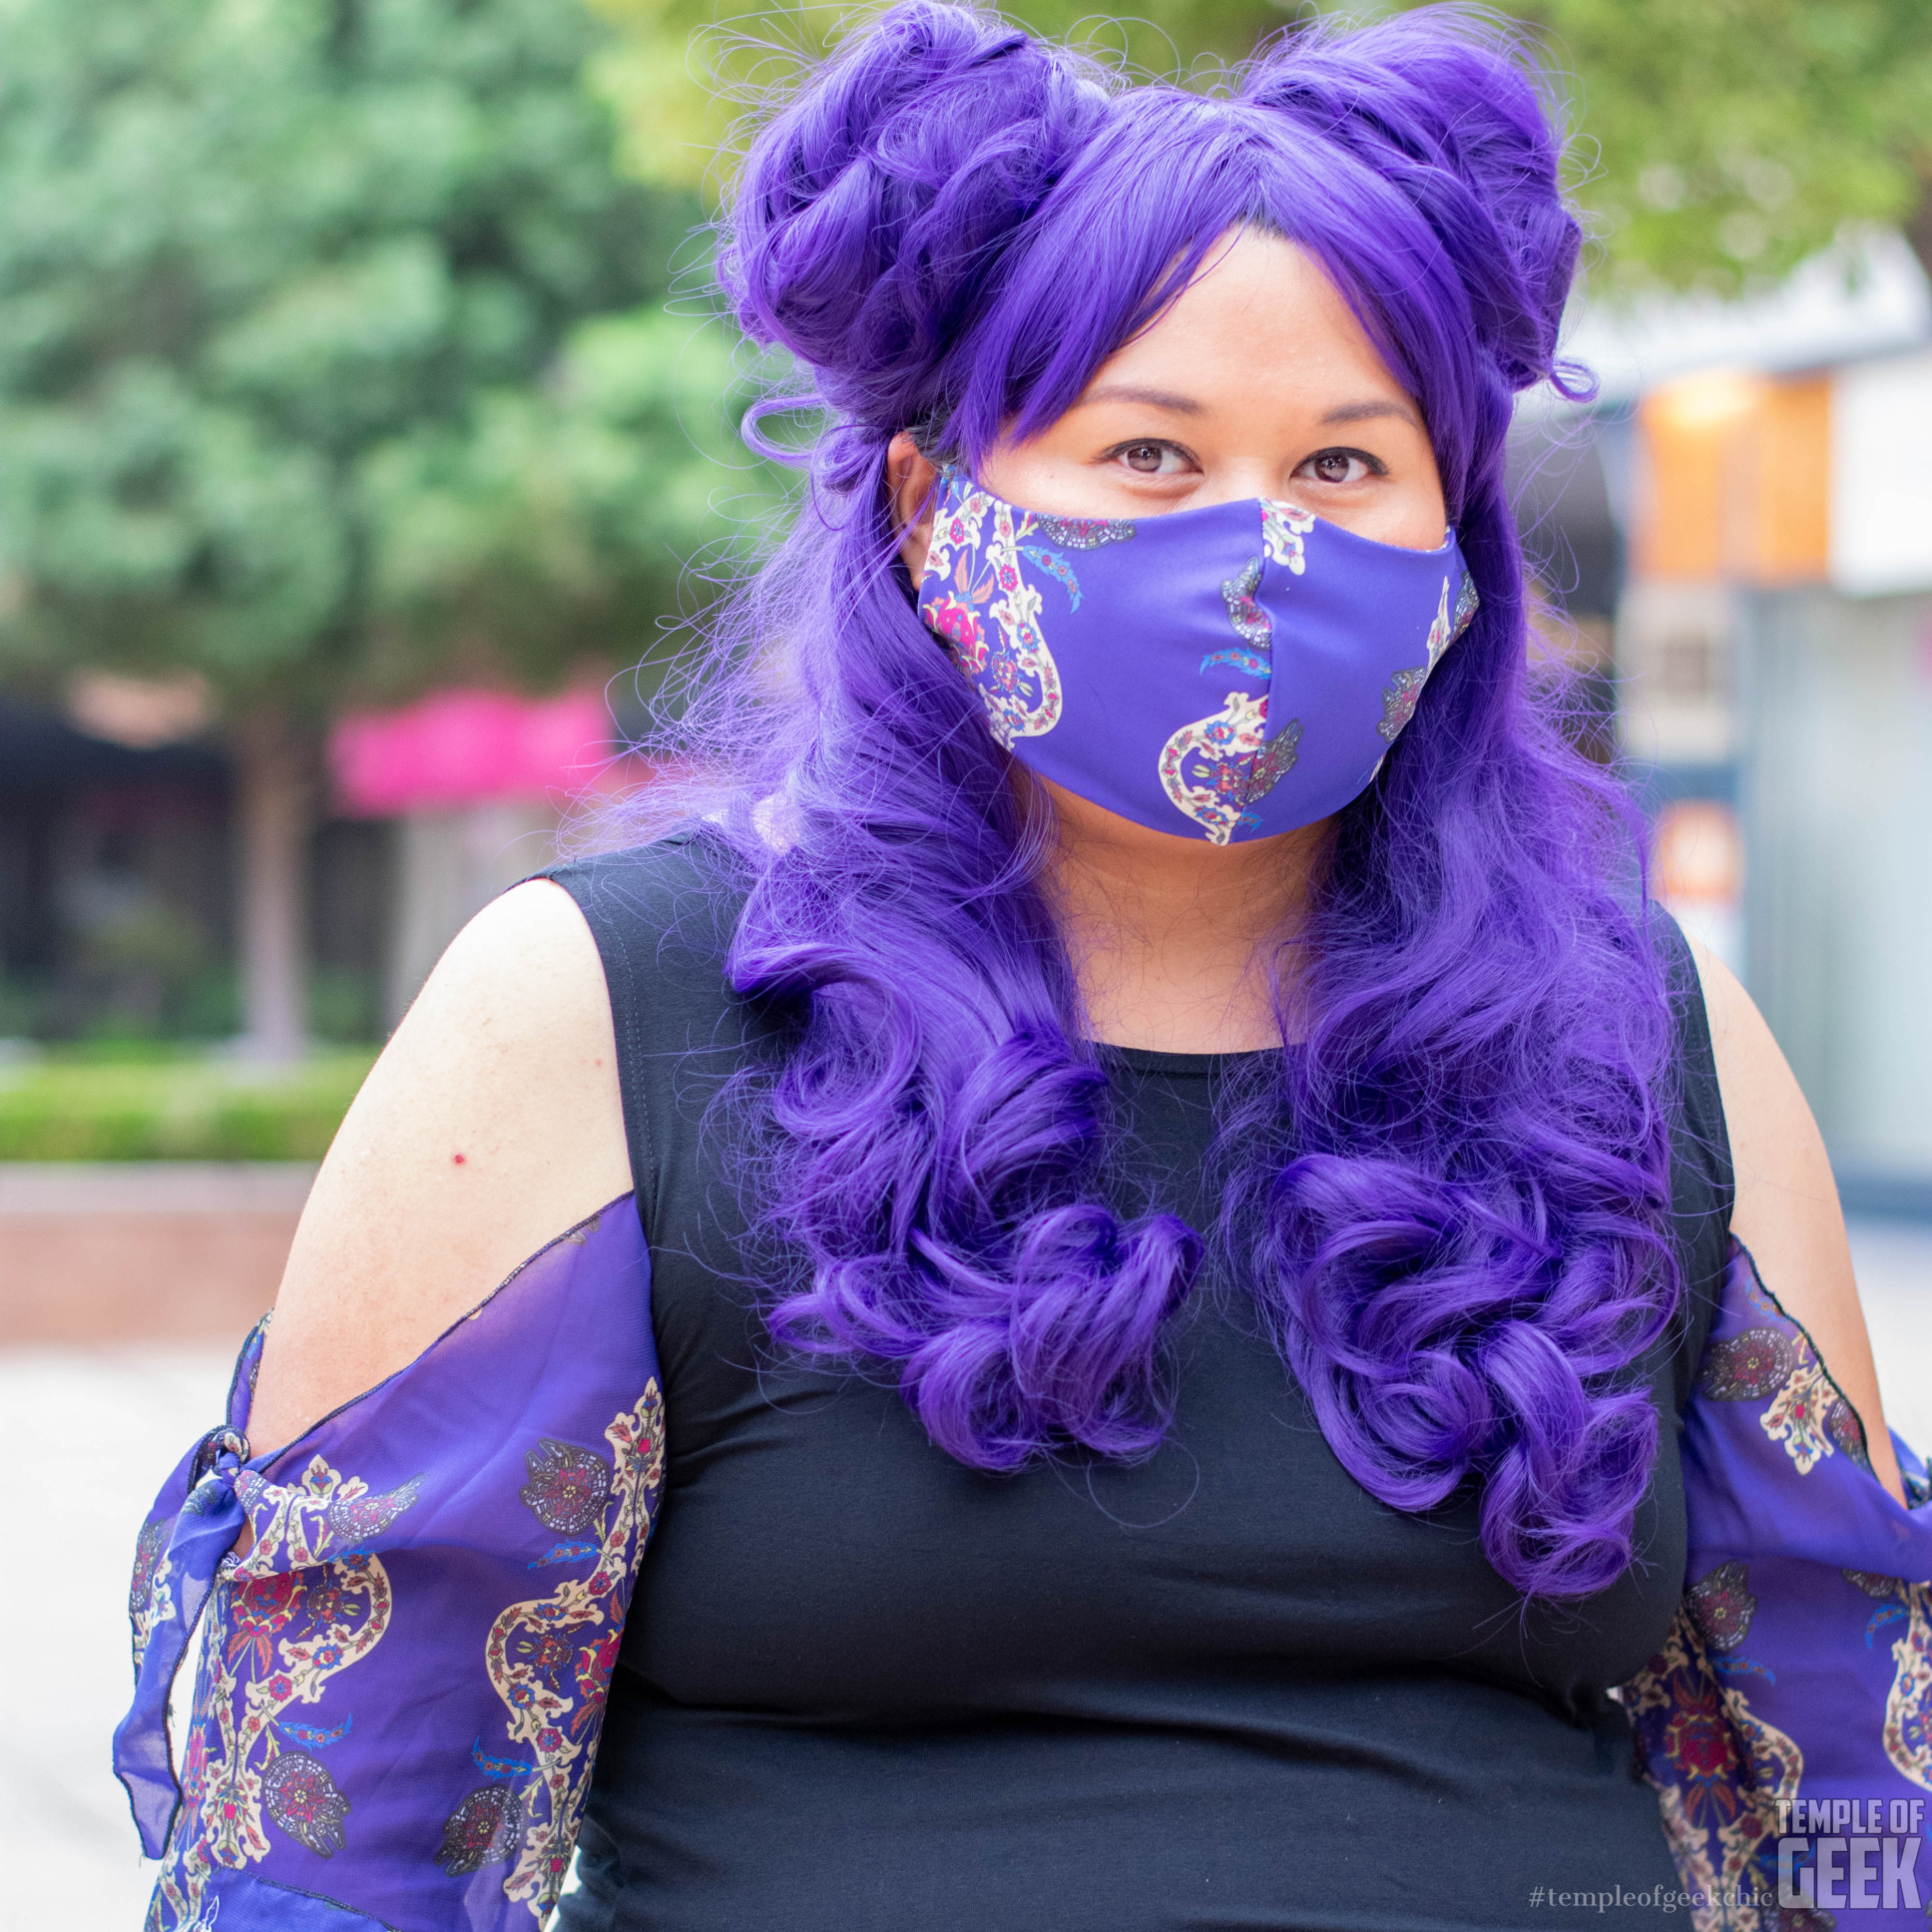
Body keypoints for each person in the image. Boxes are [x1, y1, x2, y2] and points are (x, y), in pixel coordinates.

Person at [115, 6, 1932, 1930]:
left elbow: (1857, 1764)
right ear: (926, 510)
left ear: (1459, 543)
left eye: (1344, 465)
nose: (1261, 553)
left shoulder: (1642, 1036)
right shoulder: (597, 1017)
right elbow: (340, 1837)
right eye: (1149, 453)